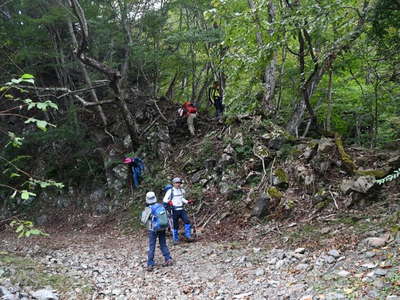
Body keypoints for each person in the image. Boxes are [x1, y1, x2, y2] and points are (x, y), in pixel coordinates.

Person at [141, 191, 173, 272]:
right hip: (162, 228)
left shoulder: (148, 208)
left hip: (153, 229)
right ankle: (168, 259)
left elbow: (143, 220)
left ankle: (150, 264)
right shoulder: (160, 206)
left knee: (152, 246)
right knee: (163, 244)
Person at [163, 177, 194, 244]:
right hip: (174, 210)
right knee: (175, 224)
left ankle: (188, 236)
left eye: (179, 183)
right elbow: (165, 200)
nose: (178, 184)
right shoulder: (170, 191)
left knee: (187, 221)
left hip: (181, 209)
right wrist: (169, 203)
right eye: (176, 183)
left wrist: (187, 202)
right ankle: (175, 239)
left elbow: (181, 198)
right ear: (173, 184)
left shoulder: (181, 190)